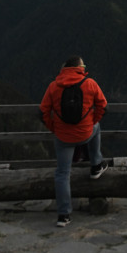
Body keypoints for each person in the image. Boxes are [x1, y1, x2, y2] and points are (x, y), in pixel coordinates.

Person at [39, 56, 109, 227]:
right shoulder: (90, 83)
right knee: (97, 127)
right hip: (85, 133)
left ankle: (64, 215)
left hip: (63, 137)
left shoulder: (53, 86)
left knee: (62, 174)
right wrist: (93, 120)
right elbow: (103, 106)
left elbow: (43, 112)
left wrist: (54, 127)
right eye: (83, 64)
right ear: (79, 67)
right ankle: (96, 165)